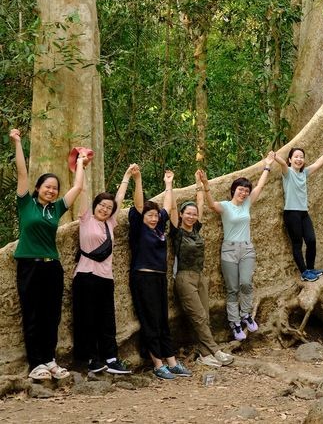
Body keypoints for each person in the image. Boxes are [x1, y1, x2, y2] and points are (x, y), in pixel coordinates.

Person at [10, 128, 85, 380]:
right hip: (29, 266)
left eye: (55, 188)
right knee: (32, 314)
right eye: (47, 187)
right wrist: (18, 142)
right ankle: (36, 364)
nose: (51, 191)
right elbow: (22, 172)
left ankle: (50, 360)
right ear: (39, 188)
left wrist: (82, 163)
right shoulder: (26, 204)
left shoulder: (56, 210)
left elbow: (77, 187)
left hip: (52, 266)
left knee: (51, 315)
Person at [202, 151, 275, 340]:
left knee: (246, 283)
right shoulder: (225, 206)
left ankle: (246, 315)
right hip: (229, 250)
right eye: (240, 189)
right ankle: (234, 323)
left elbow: (260, 184)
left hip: (247, 249)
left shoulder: (247, 204)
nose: (244, 192)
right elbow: (210, 205)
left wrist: (267, 164)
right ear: (233, 190)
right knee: (232, 288)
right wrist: (205, 186)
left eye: (246, 190)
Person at [72, 163, 136, 375]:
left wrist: (127, 175)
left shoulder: (110, 223)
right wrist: (81, 164)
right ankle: (91, 359)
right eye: (102, 205)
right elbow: (80, 188)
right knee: (86, 319)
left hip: (105, 278)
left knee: (107, 320)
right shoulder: (86, 218)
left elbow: (119, 197)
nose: (105, 209)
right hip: (85, 276)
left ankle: (111, 358)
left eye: (109, 207)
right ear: (95, 205)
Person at [128, 169, 191, 380]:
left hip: (159, 277)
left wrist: (169, 185)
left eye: (155, 216)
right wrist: (138, 179)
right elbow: (138, 205)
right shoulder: (138, 227)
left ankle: (171, 361)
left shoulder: (159, 226)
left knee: (163, 320)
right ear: (142, 217)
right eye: (149, 216)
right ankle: (157, 363)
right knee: (151, 320)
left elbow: (166, 206)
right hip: (143, 277)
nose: (154, 218)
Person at [169, 170, 235, 368]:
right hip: (184, 278)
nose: (191, 216)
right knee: (198, 316)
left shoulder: (196, 229)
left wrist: (200, 182)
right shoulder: (177, 232)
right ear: (181, 215)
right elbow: (171, 207)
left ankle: (205, 355)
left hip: (200, 277)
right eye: (187, 213)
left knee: (204, 317)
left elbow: (199, 203)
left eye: (193, 214)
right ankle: (216, 350)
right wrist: (169, 185)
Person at [272, 143, 323, 282]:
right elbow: (282, 164)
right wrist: (274, 156)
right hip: (291, 213)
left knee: (311, 240)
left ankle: (310, 268)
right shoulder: (288, 172)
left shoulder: (304, 173)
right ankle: (304, 273)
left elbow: (317, 164)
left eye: (301, 157)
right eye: (296, 157)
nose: (299, 159)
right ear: (290, 160)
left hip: (303, 213)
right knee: (297, 244)